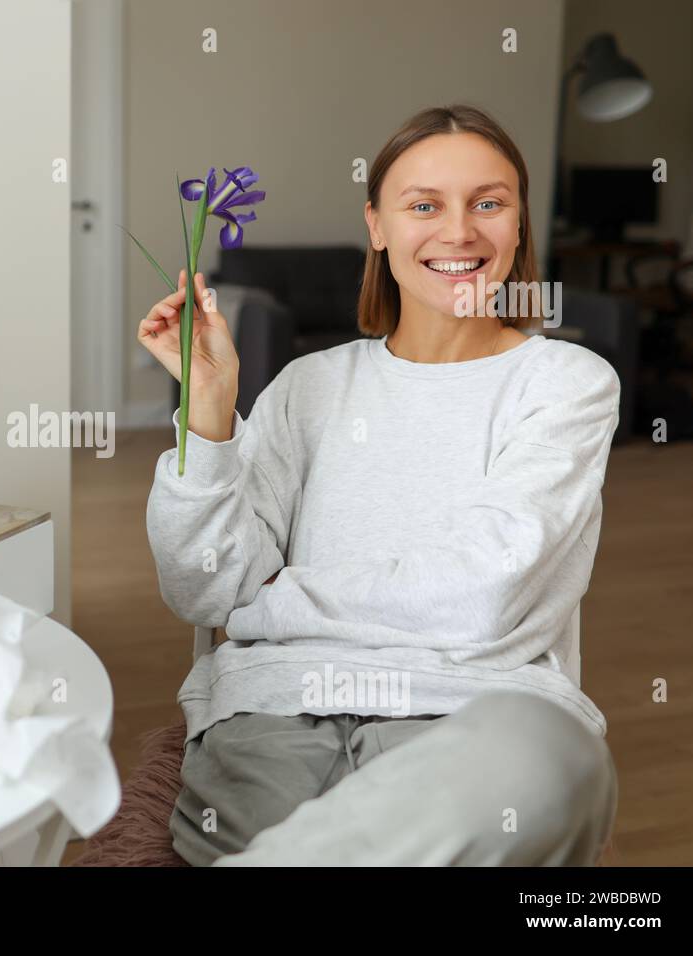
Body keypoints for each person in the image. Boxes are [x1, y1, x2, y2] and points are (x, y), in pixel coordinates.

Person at [140, 104, 620, 866]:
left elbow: (485, 598)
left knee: (559, 764)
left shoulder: (565, 383)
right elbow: (205, 591)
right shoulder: (307, 386)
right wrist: (208, 419)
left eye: (488, 203)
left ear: (520, 223)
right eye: (424, 205)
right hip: (276, 701)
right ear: (378, 225)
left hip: (478, 709)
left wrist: (275, 604)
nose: (459, 232)